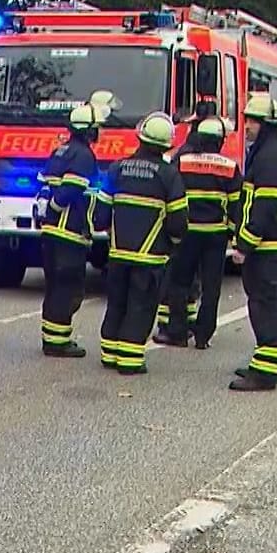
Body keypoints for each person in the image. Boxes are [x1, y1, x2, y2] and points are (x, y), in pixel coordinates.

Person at [94, 112, 188, 375]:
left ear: (141, 137)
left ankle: (109, 353)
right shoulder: (169, 176)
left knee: (117, 303)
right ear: (166, 144)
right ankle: (130, 360)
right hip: (150, 258)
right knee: (141, 306)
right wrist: (174, 242)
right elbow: (178, 221)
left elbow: (101, 214)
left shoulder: (117, 168)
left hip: (118, 254)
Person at [153, 116, 243, 350]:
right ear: (220, 141)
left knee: (179, 282)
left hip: (187, 232)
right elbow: (236, 206)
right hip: (216, 236)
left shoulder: (182, 162)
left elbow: (170, 193)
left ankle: (178, 332)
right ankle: (203, 336)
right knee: (211, 287)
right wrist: (235, 236)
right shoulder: (230, 167)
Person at [229, 93, 277, 392]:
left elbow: (265, 206)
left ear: (268, 124)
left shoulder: (271, 157)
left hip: (267, 246)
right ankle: (266, 362)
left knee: (265, 305)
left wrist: (244, 244)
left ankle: (265, 374)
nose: (249, 126)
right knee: (268, 303)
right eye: (247, 120)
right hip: (268, 245)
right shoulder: (268, 151)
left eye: (253, 120)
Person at [35, 100, 108, 358]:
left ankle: (52, 338)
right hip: (70, 233)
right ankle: (57, 343)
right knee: (69, 287)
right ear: (88, 130)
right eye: (96, 127)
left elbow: (44, 186)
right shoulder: (84, 156)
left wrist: (47, 213)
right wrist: (56, 207)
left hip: (52, 233)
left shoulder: (60, 151)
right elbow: (71, 189)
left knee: (55, 286)